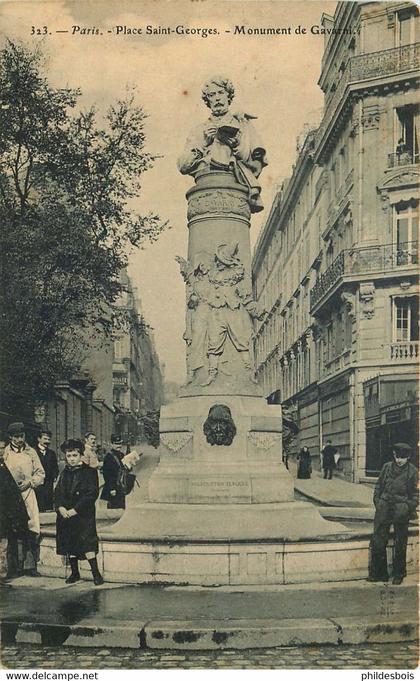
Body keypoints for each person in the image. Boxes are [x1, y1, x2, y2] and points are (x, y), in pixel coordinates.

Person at [178, 76, 267, 213]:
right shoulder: (198, 131)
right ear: (208, 101)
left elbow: (254, 163)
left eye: (221, 93)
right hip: (205, 185)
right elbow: (183, 165)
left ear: (228, 96)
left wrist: (236, 145)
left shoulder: (243, 126)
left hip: (234, 189)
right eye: (212, 95)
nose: (217, 98)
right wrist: (203, 145)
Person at [55, 439, 103, 586]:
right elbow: (57, 493)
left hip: (83, 515)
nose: (71, 459)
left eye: (74, 455)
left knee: (88, 543)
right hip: (66, 515)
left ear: (81, 455)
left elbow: (91, 494)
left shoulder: (90, 472)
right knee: (71, 544)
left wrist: (75, 510)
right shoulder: (64, 473)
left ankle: (96, 573)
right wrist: (60, 508)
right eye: (68, 456)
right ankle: (75, 573)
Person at [368, 442, 418, 585]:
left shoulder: (413, 471)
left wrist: (407, 506)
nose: (399, 460)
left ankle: (399, 574)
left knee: (400, 541)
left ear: (408, 457)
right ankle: (379, 574)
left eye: (402, 458)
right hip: (384, 506)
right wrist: (378, 502)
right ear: (394, 455)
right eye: (397, 457)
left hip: (401, 509)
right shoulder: (386, 467)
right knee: (378, 539)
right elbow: (378, 486)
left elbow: (416, 494)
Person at [4, 422, 45, 577]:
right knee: (12, 530)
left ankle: (30, 566)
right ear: (10, 437)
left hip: (28, 495)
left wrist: (30, 482)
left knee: (31, 528)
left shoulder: (31, 452)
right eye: (16, 437)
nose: (19, 440)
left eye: (22, 436)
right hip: (11, 497)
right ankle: (12, 568)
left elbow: (41, 473)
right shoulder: (5, 453)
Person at [0, 434, 29, 587]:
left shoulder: (3, 466)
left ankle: (2, 574)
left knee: (3, 544)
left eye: (1, 448)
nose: (0, 451)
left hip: (4, 513)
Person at [34, 429, 59, 512]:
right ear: (39, 439)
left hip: (49, 482)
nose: (47, 441)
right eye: (45, 439)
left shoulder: (52, 453)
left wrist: (54, 476)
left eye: (49, 439)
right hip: (37, 483)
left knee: (48, 504)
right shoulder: (33, 452)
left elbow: (55, 467)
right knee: (38, 503)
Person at [100, 434, 127, 510]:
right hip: (113, 487)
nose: (119, 446)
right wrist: (112, 489)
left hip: (121, 486)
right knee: (114, 508)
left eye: (120, 443)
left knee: (122, 507)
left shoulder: (121, 455)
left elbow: (123, 469)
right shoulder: (109, 457)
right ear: (111, 444)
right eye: (116, 444)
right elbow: (107, 475)